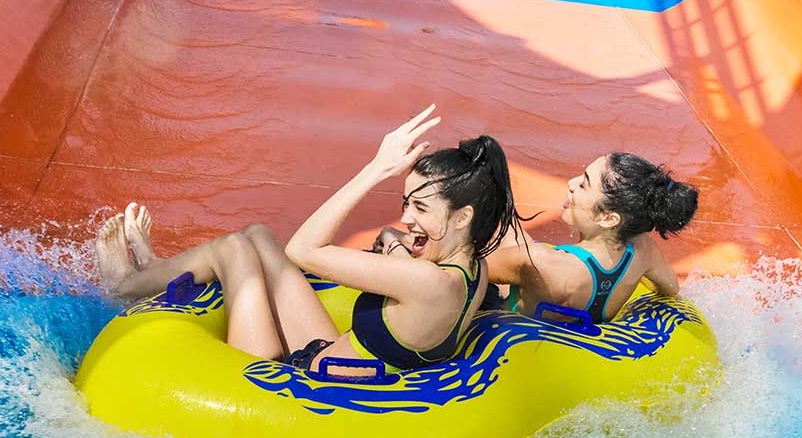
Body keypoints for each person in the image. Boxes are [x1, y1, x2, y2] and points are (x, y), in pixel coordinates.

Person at [94, 105, 520, 373]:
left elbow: (303, 250)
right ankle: (152, 269)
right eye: (406, 202)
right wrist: (394, 242)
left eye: (420, 209)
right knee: (259, 235)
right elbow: (416, 281)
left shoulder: (429, 282)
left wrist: (376, 169)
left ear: (464, 215)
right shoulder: (472, 267)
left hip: (289, 379)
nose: (406, 217)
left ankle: (126, 285)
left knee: (234, 248)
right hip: (325, 352)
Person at [482, 153, 698, 322]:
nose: (571, 183)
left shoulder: (544, 263)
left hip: (511, 347)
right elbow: (671, 288)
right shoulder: (643, 250)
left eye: (584, 184)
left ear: (607, 218)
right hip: (574, 342)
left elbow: (465, 267)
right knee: (505, 224)